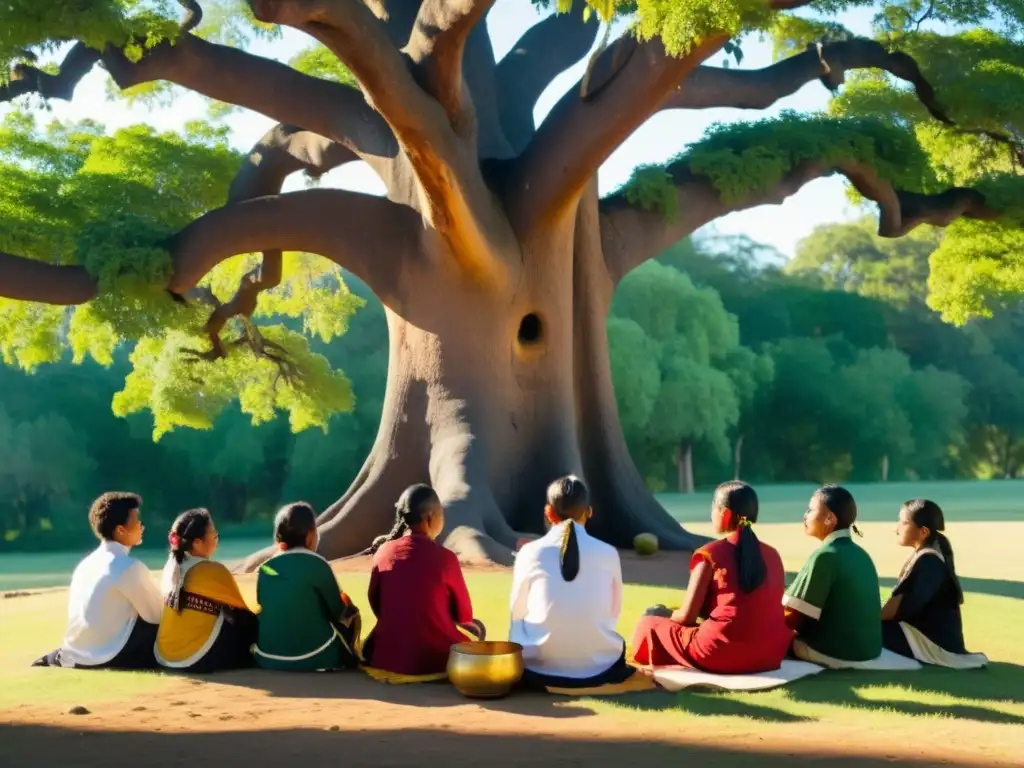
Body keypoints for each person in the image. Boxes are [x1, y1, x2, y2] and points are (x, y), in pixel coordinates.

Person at [630, 481, 792, 674]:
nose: (711, 514)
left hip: (721, 653)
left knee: (649, 625)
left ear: (724, 513)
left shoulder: (710, 553)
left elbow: (687, 618)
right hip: (771, 652)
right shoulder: (772, 554)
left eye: (713, 507)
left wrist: (661, 614)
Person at [510, 476, 635, 688]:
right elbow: (614, 612)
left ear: (548, 513)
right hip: (598, 667)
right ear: (589, 512)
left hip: (536, 667)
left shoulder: (529, 552)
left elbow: (516, 611)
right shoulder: (608, 553)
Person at [363, 484, 485, 676]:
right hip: (437, 660)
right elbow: (464, 615)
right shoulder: (446, 558)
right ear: (430, 517)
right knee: (477, 629)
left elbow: (376, 604)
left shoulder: (382, 552)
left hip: (387, 658)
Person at [33, 493, 163, 669]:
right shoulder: (128, 566)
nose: (141, 525)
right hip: (110, 656)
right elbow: (157, 615)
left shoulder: (85, 564)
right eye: (136, 520)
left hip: (75, 653)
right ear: (120, 530)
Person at [253, 502, 362, 671]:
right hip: (315, 656)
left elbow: (263, 605)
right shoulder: (317, 563)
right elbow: (339, 611)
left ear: (278, 538)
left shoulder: (265, 568)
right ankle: (352, 655)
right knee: (351, 611)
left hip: (268, 657)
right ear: (310, 535)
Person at [784, 485, 882, 665]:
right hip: (871, 651)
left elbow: (791, 616)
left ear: (830, 518)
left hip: (837, 653)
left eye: (811, 510)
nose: (805, 515)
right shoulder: (862, 554)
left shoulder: (825, 555)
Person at [881, 499, 986, 667]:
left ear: (923, 532)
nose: (897, 529)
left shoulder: (928, 561)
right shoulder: (928, 557)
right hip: (926, 638)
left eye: (903, 523)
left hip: (934, 646)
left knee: (863, 630)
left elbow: (890, 612)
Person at [155, 508, 258, 673]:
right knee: (243, 621)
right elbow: (243, 613)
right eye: (214, 535)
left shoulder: (170, 566)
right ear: (197, 542)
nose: (216, 540)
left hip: (164, 656)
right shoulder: (211, 570)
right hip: (196, 659)